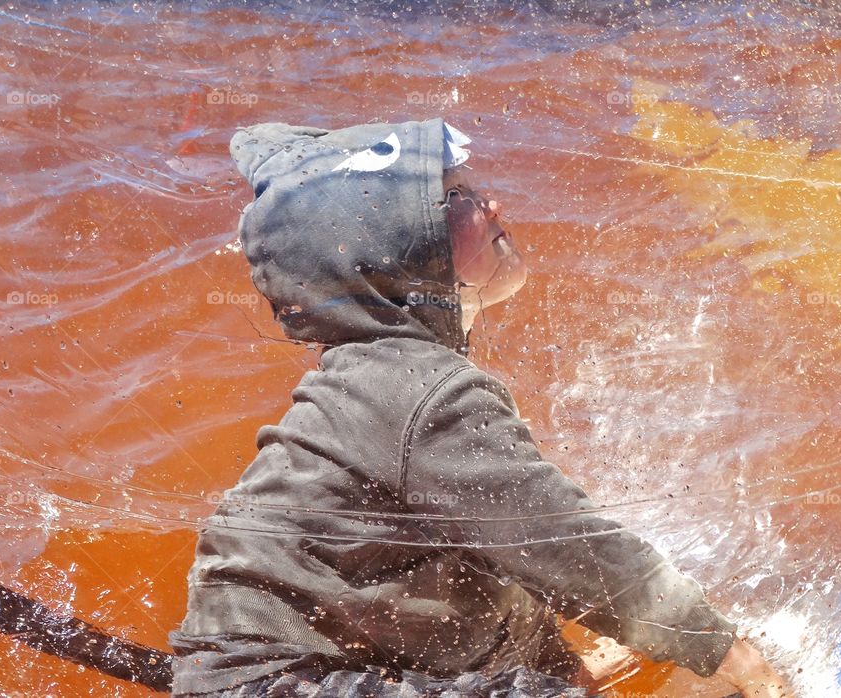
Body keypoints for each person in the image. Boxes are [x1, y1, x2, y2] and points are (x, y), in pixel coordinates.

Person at [168, 118, 792, 697]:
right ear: (397, 251)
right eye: (459, 198)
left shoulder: (392, 378)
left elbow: (495, 553)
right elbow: (563, 541)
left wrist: (559, 670)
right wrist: (725, 651)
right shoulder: (417, 388)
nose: (493, 205)